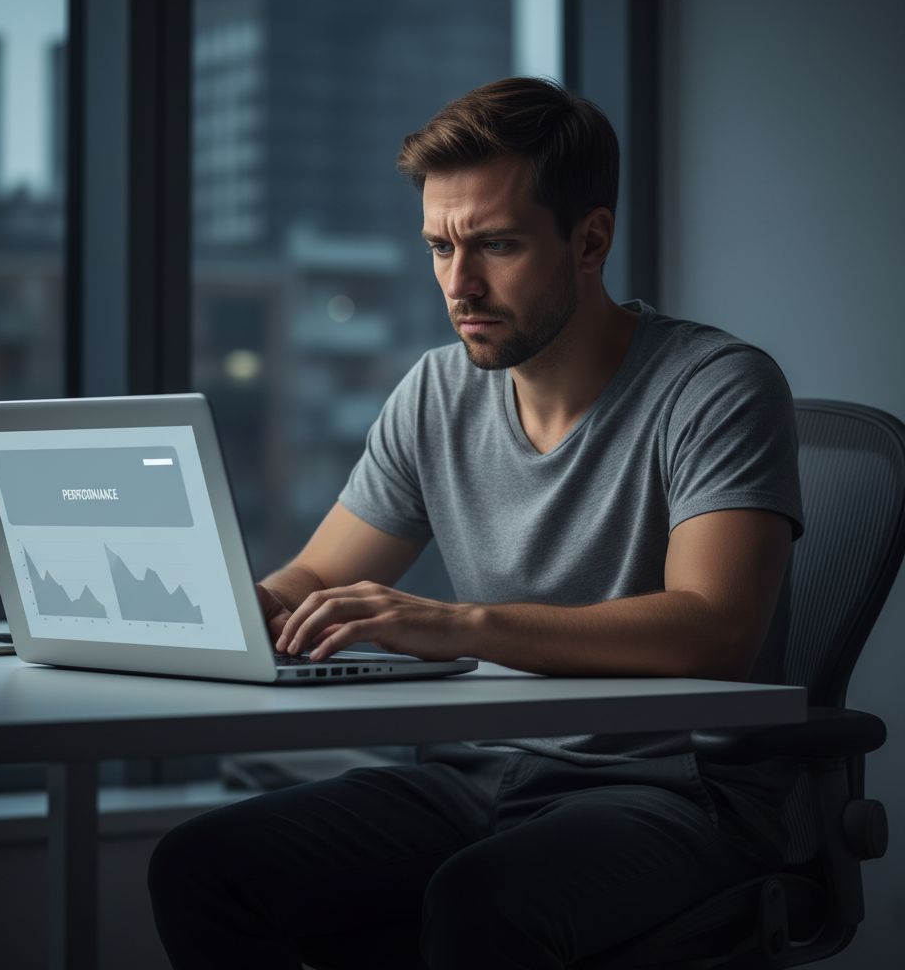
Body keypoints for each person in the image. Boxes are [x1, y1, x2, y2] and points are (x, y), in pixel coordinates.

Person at [148, 77, 804, 969]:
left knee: (480, 906)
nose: (460, 285)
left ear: (591, 239)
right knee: (203, 865)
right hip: (476, 777)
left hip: (670, 790)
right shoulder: (437, 390)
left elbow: (715, 630)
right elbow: (312, 581)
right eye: (438, 247)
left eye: (495, 245)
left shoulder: (716, 388)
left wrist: (454, 625)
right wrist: (191, 619)